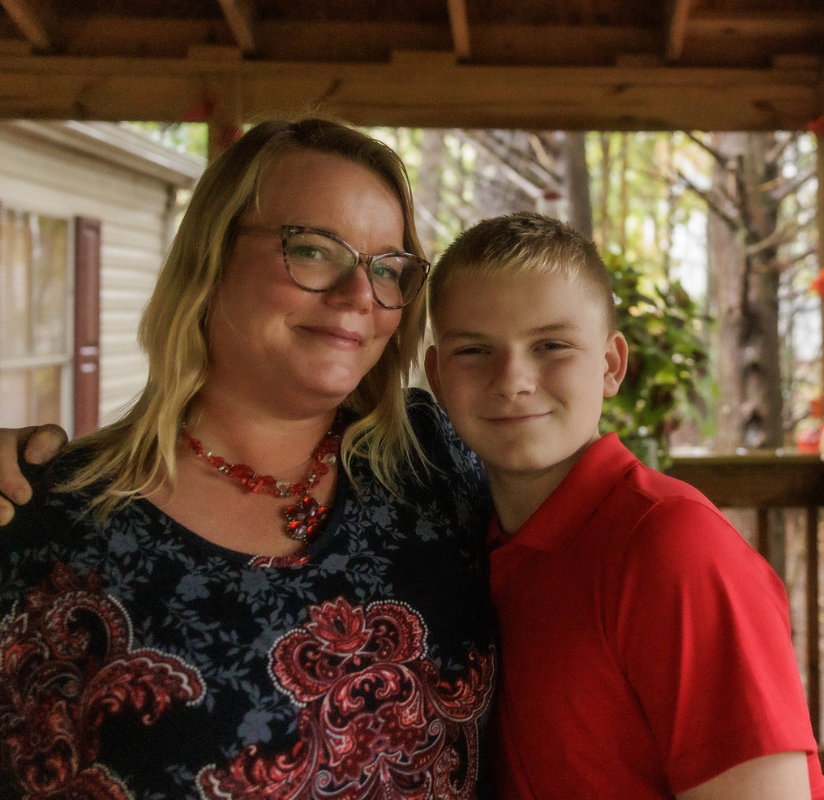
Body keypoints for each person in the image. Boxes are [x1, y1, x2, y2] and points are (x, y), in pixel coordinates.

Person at [0, 117, 496, 799]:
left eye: (388, 268)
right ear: (211, 258)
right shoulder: (46, 518)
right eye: (318, 250)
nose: (360, 296)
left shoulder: (439, 462)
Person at [422, 212, 824, 800]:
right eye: (475, 350)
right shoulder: (466, 542)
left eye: (551, 345)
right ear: (436, 377)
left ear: (611, 365)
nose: (513, 380)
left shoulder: (672, 546)